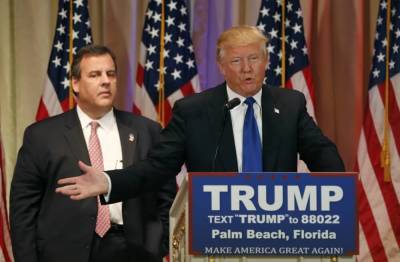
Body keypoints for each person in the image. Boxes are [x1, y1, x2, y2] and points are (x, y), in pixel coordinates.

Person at [56, 25, 344, 204]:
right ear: (221, 66)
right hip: (217, 235)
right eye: (236, 60)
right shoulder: (193, 111)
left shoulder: (290, 104)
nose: (247, 69)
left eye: (254, 59)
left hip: (278, 233)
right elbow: (157, 168)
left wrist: (340, 189)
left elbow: (321, 151)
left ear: (266, 61)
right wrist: (109, 181)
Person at [10, 45, 176, 262]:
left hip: (133, 251)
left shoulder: (147, 131)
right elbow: (23, 209)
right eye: (95, 75)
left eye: (111, 74)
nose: (106, 81)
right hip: (64, 252)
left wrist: (157, 245)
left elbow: (167, 197)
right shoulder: (41, 136)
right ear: (75, 83)